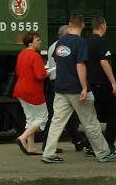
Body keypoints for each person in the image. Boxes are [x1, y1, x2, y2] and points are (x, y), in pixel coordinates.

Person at [41, 15, 116, 164]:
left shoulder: (61, 42)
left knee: (57, 122)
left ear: (70, 24)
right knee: (90, 122)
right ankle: (103, 153)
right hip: (76, 89)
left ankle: (48, 153)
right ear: (82, 25)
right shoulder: (80, 42)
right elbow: (80, 65)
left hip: (60, 88)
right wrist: (84, 87)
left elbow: (57, 60)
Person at [42, 25, 87, 153]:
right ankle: (77, 140)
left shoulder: (53, 46)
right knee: (59, 116)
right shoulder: (63, 47)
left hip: (55, 81)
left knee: (64, 115)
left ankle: (77, 139)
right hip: (63, 81)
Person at [86, 17, 116, 156]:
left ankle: (90, 146)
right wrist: (113, 82)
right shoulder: (101, 41)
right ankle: (109, 144)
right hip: (102, 83)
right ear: (102, 26)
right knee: (113, 114)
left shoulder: (86, 41)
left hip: (91, 84)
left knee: (93, 116)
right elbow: (104, 62)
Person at [13, 31, 49, 155]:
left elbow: (18, 72)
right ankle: (22, 137)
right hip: (33, 91)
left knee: (31, 119)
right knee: (43, 118)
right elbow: (40, 75)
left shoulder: (21, 54)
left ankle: (31, 147)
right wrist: (47, 73)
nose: (40, 42)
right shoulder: (35, 55)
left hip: (20, 89)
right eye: (38, 40)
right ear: (31, 42)